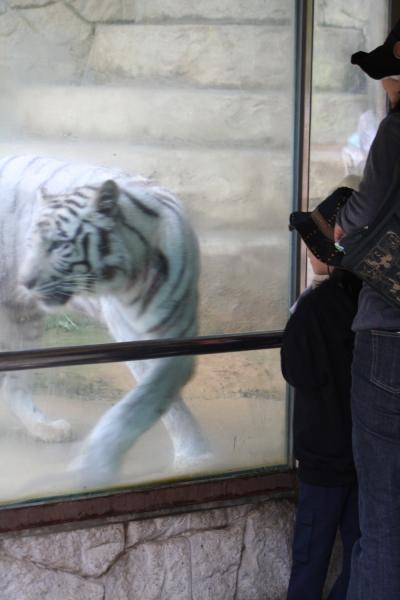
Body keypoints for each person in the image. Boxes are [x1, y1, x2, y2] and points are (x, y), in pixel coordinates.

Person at [333, 19, 400, 600]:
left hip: (391, 342)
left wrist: (334, 227)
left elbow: (354, 231)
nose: (386, 87)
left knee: (384, 524)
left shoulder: (398, 132)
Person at [281, 220, 362, 600]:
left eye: (315, 247)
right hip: (365, 451)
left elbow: (297, 371)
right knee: (363, 553)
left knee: (310, 556)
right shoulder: (370, 300)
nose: (310, 254)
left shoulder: (314, 308)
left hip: (322, 456)